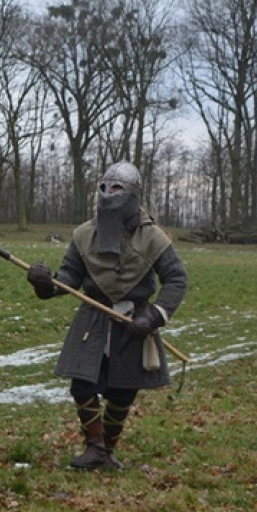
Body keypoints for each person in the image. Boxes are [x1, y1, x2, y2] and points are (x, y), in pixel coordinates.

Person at [27, 162, 187, 471]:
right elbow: (70, 278)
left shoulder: (153, 237)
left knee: (122, 391)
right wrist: (45, 283)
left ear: (133, 195)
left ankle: (108, 450)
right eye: (104, 187)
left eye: (116, 189)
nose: (108, 194)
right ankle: (94, 447)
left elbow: (176, 279)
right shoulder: (85, 234)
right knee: (82, 384)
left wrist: (153, 316)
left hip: (133, 321)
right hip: (93, 318)